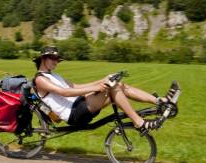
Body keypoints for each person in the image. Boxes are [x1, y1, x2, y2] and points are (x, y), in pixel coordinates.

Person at [33, 46, 179, 132]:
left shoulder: (55, 75)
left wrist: (103, 80)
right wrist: (97, 87)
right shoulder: (40, 79)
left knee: (119, 85)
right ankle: (139, 123)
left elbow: (76, 86)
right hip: (74, 113)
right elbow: (64, 92)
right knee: (113, 87)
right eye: (52, 58)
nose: (55, 62)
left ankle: (161, 101)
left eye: (57, 59)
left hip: (81, 103)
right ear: (43, 59)